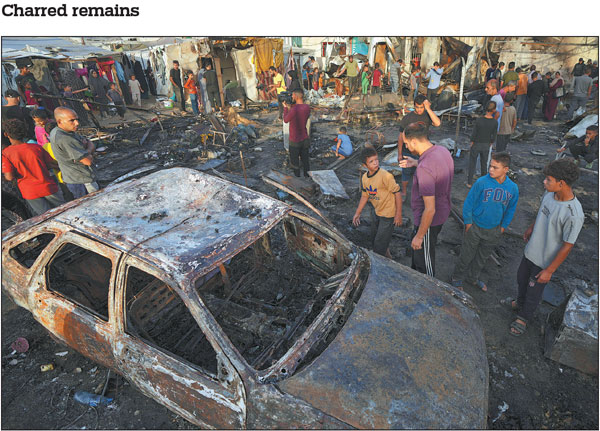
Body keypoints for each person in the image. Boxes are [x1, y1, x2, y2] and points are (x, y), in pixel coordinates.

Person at [506, 159, 584, 337]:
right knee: (521, 278)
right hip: (531, 251)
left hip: (544, 261)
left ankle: (524, 317)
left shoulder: (574, 214)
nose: (544, 182)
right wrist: (532, 227)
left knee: (534, 291)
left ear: (561, 183)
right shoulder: (549, 195)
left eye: (548, 179)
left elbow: (567, 245)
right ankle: (520, 302)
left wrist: (549, 270)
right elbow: (542, 212)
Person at [451, 152, 519, 291]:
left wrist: (503, 227)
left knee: (482, 257)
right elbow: (469, 203)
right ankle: (456, 278)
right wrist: (468, 222)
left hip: (494, 229)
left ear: (506, 169)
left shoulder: (513, 188)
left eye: (495, 167)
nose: (491, 170)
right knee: (466, 255)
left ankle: (472, 278)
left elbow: (511, 209)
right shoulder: (482, 182)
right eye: (490, 166)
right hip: (475, 227)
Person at [399, 122, 454, 277]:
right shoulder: (442, 151)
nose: (407, 148)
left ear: (414, 141)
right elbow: (435, 169)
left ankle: (430, 288)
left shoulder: (425, 169)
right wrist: (416, 163)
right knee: (419, 256)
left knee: (425, 261)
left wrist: (420, 236)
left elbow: (429, 209)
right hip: (442, 211)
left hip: (429, 220)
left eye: (407, 144)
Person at [2, 119, 64, 215]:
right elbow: (52, 165)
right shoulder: (36, 147)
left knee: (46, 217)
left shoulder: (6, 153)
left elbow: (9, 177)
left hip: (29, 191)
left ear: (6, 134)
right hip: (48, 186)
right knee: (64, 211)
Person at [353, 146, 402, 257]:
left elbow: (397, 193)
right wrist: (358, 212)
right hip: (376, 211)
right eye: (371, 161)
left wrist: (398, 214)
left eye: (376, 160)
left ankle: (381, 267)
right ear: (365, 166)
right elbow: (365, 196)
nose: (375, 163)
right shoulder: (365, 178)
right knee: (376, 238)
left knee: (379, 245)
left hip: (388, 214)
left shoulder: (386, 176)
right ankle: (389, 259)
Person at [396, 94, 441, 199]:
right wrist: (399, 154)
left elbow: (438, 123)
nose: (419, 110)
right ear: (414, 106)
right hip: (408, 151)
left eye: (422, 107)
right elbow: (400, 137)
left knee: (423, 172)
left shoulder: (427, 115)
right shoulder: (408, 118)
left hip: (424, 151)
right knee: (406, 172)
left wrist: (428, 109)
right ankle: (404, 192)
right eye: (417, 107)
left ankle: (421, 193)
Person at [50, 107, 98, 199]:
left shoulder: (61, 131)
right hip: (81, 180)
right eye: (72, 120)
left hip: (73, 178)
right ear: (59, 121)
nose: (77, 123)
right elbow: (88, 160)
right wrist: (89, 149)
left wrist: (86, 148)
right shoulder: (64, 138)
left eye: (77, 119)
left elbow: (86, 141)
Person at [467, 101, 498, 186]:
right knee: (484, 164)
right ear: (494, 110)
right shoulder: (494, 122)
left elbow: (474, 132)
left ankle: (469, 183)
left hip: (476, 144)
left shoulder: (479, 120)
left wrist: (472, 141)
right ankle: (484, 183)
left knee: (472, 163)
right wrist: (491, 142)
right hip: (486, 145)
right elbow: (494, 135)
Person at [283, 89, 311, 177]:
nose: (291, 96)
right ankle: (307, 177)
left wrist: (285, 108)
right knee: (305, 160)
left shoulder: (294, 109)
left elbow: (286, 120)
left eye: (292, 95)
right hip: (305, 138)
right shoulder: (307, 107)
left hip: (295, 140)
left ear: (295, 95)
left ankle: (297, 179)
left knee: (295, 162)